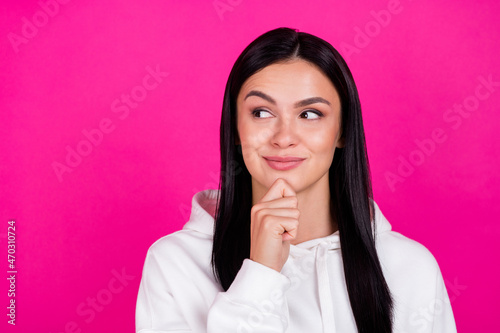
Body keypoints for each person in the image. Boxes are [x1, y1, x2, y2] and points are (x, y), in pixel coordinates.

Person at [135, 27, 457, 333]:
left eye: (310, 114)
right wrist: (261, 272)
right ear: (235, 127)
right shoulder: (175, 263)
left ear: (342, 131)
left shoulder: (410, 267)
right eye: (261, 112)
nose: (284, 137)